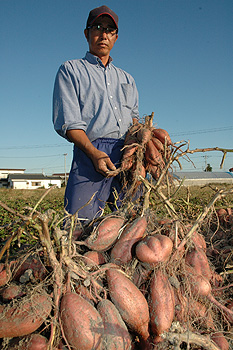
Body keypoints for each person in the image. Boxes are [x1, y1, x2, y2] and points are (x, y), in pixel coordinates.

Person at [53, 5, 139, 222]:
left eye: (110, 30)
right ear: (87, 33)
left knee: (134, 222)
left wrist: (138, 148)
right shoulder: (71, 70)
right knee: (79, 225)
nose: (103, 34)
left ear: (116, 37)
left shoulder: (127, 78)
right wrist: (94, 153)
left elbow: (134, 120)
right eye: (97, 27)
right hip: (90, 152)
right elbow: (70, 123)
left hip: (127, 154)